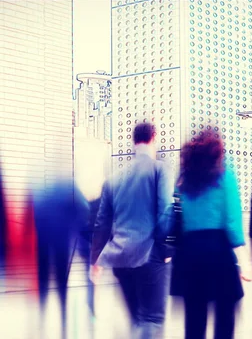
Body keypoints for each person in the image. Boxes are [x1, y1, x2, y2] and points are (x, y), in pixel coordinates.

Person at [91, 123, 174, 339]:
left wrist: (95, 260)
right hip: (150, 255)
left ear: (134, 141)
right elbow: (165, 210)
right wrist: (166, 251)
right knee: (152, 319)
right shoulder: (160, 170)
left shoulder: (114, 178)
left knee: (137, 319)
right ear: (153, 138)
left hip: (120, 258)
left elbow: (102, 222)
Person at [175, 134, 251, 339]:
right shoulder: (225, 175)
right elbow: (232, 220)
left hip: (190, 253)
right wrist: (244, 260)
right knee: (225, 317)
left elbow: (176, 216)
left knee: (194, 320)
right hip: (218, 252)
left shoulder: (184, 178)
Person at [32, 178, 89, 338]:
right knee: (61, 282)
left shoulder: (38, 186)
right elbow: (83, 209)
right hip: (61, 241)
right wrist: (75, 229)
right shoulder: (68, 185)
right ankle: (63, 319)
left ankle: (42, 317)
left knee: (43, 281)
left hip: (42, 241)